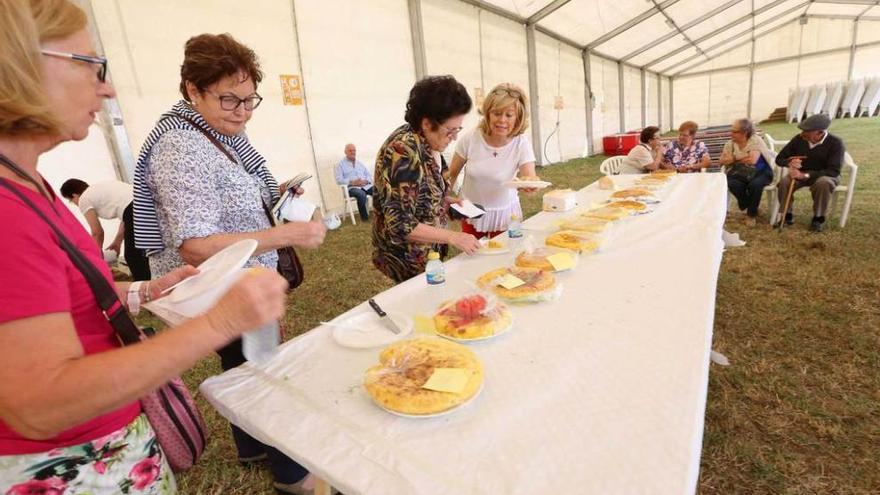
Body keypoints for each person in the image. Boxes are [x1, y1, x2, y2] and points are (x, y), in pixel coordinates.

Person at [0, 1, 289, 493]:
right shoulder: (7, 212)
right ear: (19, 65)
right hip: (76, 465)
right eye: (89, 64)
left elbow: (54, 296)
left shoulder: (27, 184)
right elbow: (39, 403)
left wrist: (139, 293)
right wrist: (221, 321)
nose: (107, 86)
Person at [132, 33, 326, 494]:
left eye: (249, 99)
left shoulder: (215, 134)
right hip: (221, 284)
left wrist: (275, 197)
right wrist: (286, 234)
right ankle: (292, 475)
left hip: (237, 280)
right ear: (192, 90)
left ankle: (253, 445)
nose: (242, 110)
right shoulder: (182, 145)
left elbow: (226, 201)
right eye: (229, 98)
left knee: (242, 364)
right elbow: (195, 245)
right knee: (262, 370)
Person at [372, 75, 480, 283]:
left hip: (428, 256)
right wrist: (453, 237)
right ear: (427, 123)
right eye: (450, 130)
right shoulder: (402, 152)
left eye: (458, 129)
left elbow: (422, 189)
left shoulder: (428, 143)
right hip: (408, 260)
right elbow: (401, 224)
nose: (455, 137)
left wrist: (445, 200)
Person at [449, 83, 537, 239]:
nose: (502, 120)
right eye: (496, 113)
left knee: (505, 257)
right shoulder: (471, 138)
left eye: (509, 115)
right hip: (471, 212)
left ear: (517, 118)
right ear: (488, 114)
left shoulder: (521, 143)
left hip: (506, 215)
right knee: (472, 258)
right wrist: (441, 201)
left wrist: (529, 185)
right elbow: (452, 173)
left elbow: (529, 176)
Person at [60, 178, 151, 280]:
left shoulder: (84, 199)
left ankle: (146, 289)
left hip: (133, 209)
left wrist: (95, 258)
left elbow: (97, 232)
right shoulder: (100, 188)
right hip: (145, 202)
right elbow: (125, 217)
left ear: (74, 195)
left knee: (133, 256)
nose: (74, 203)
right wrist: (117, 242)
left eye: (71, 200)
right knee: (143, 252)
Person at [775, 113, 845, 232]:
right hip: (801, 173)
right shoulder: (798, 139)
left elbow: (833, 171)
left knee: (823, 183)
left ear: (820, 132)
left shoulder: (836, 143)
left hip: (826, 175)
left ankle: (818, 219)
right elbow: (779, 158)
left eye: (806, 131)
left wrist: (806, 175)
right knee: (784, 182)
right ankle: (787, 216)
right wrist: (790, 162)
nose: (802, 134)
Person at [719, 118, 776, 227]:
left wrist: (733, 158)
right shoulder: (729, 144)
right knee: (731, 183)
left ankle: (751, 214)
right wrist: (742, 156)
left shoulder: (755, 140)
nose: (731, 133)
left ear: (744, 132)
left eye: (734, 131)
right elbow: (721, 161)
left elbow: (752, 160)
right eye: (731, 130)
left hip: (761, 171)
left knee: (755, 184)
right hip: (739, 172)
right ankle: (748, 204)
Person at [334, 143, 373, 221]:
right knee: (361, 194)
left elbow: (369, 175)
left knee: (378, 190)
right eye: (350, 150)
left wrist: (366, 180)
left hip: (364, 185)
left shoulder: (360, 163)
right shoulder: (340, 165)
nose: (353, 152)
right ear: (345, 152)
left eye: (354, 150)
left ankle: (380, 213)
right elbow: (339, 180)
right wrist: (352, 182)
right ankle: (364, 218)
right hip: (352, 188)